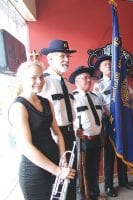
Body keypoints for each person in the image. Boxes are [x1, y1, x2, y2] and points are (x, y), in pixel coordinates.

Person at [8, 61, 76, 200]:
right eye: (33, 77)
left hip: (54, 164)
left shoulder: (46, 102)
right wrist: (57, 171)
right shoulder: (18, 107)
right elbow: (26, 147)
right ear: (22, 79)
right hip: (35, 172)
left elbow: (57, 133)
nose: (39, 81)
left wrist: (62, 159)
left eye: (41, 77)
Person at [93, 54, 133, 197]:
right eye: (105, 64)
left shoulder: (122, 82)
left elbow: (130, 98)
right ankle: (108, 186)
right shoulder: (98, 85)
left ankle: (124, 181)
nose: (108, 66)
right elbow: (98, 105)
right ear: (100, 68)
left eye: (110, 64)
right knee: (109, 156)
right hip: (109, 122)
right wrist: (110, 114)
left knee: (122, 151)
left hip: (122, 122)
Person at [39, 39, 77, 199]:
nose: (67, 60)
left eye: (67, 56)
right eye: (62, 56)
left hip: (70, 135)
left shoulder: (66, 83)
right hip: (54, 138)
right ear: (50, 59)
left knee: (71, 179)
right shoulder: (44, 81)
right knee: (58, 182)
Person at [69, 66, 105, 200]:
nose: (89, 80)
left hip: (96, 139)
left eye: (89, 77)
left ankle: (94, 195)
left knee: (94, 169)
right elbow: (69, 118)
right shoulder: (73, 98)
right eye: (85, 78)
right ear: (77, 81)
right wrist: (74, 130)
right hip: (82, 141)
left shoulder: (95, 97)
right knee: (81, 170)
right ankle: (82, 196)